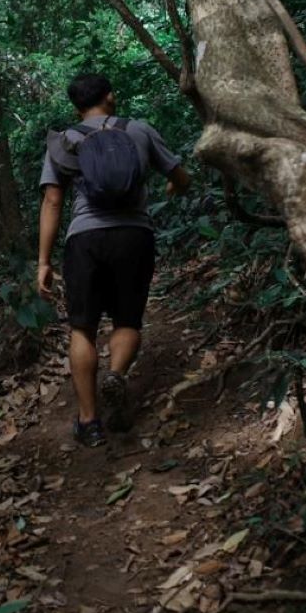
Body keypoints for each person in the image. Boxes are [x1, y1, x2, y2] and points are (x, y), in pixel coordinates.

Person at [37, 73, 191, 447]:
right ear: (109, 97)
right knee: (127, 319)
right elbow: (179, 175)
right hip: (133, 235)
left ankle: (89, 422)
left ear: (77, 107)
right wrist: (175, 186)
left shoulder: (65, 141)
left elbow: (53, 201)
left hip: (84, 239)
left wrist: (43, 261)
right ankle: (117, 373)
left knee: (82, 329)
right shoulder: (138, 130)